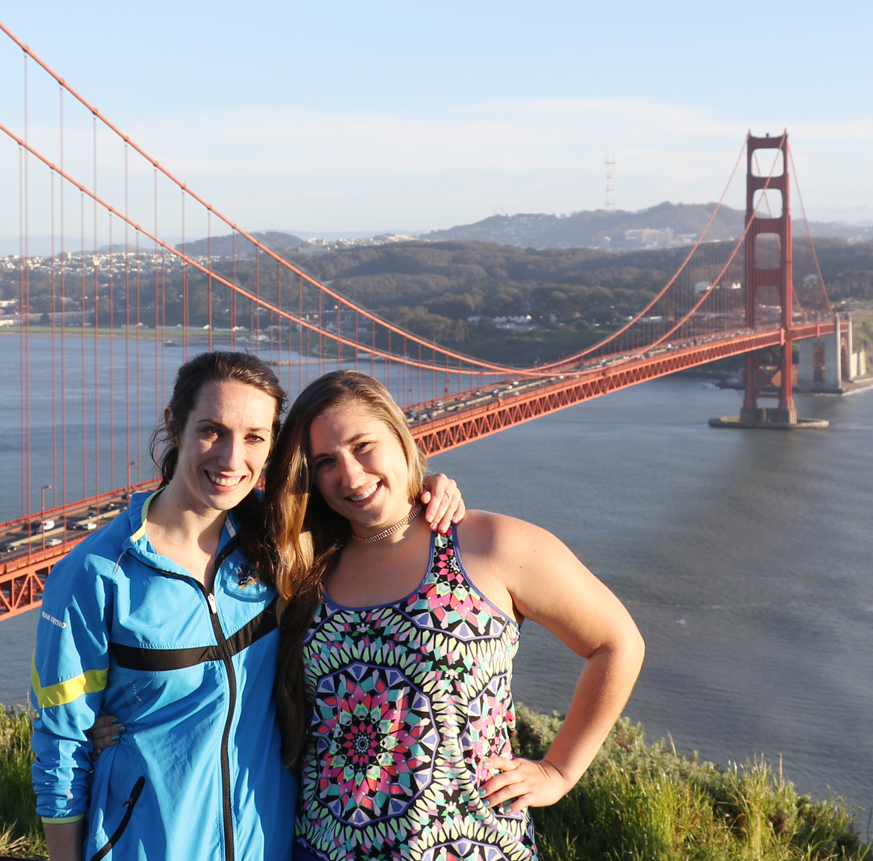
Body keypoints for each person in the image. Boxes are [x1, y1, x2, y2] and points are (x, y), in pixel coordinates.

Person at [30, 351, 468, 861]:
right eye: (213, 430)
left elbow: (370, 507)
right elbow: (61, 748)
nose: (232, 459)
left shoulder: (283, 537)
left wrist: (427, 491)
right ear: (173, 425)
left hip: (274, 843)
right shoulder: (96, 572)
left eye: (255, 438)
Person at [263, 369, 644, 861]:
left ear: (401, 437)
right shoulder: (305, 562)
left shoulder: (489, 544)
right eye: (325, 462)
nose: (351, 475)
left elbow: (616, 643)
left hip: (469, 846)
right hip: (326, 846)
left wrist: (559, 771)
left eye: (363, 446)